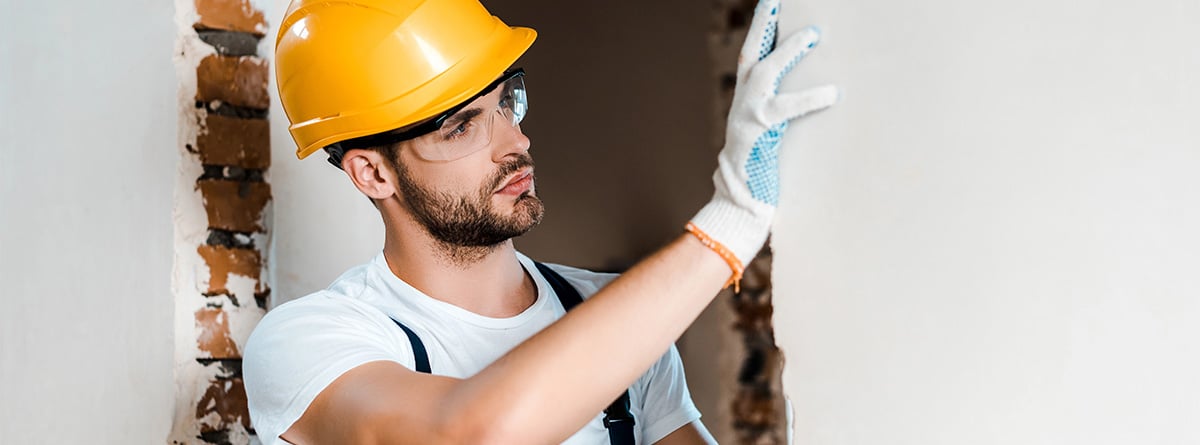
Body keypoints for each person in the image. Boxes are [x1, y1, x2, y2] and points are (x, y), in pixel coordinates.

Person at [243, 0, 837, 443]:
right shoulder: (310, 342)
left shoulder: (608, 316)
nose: (516, 142)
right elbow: (469, 434)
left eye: (505, 103)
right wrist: (730, 224)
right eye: (461, 127)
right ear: (373, 174)